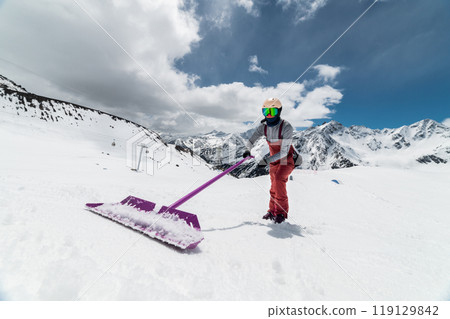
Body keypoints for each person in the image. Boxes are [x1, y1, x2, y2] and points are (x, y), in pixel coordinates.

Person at [243, 98, 296, 224]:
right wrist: (247, 150)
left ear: (279, 111)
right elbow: (251, 140)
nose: (269, 115)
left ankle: (281, 213)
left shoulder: (286, 127)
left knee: (278, 180)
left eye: (272, 111)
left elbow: (283, 152)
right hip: (273, 161)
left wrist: (266, 160)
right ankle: (272, 211)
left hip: (286, 160)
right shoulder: (264, 127)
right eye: (266, 112)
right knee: (273, 185)